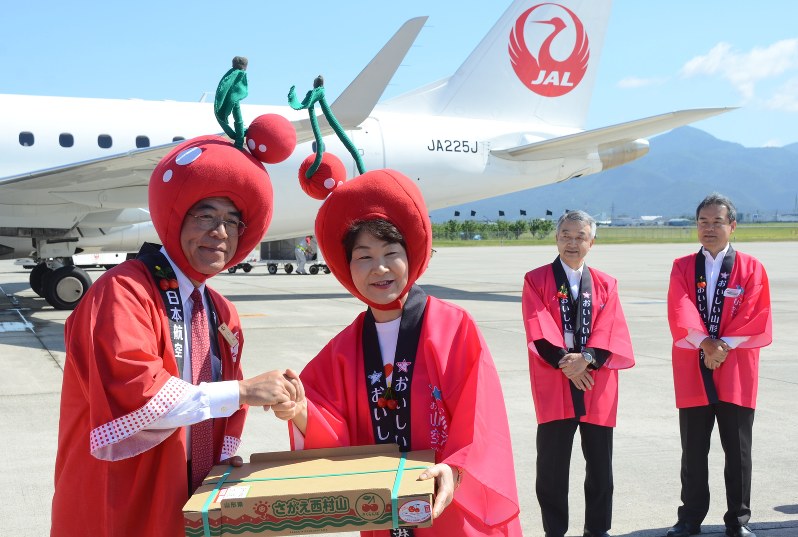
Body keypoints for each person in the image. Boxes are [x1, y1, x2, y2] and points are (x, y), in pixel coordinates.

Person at [51, 135, 301, 537]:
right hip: (123, 498)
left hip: (188, 499)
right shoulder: (123, 291)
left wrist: (218, 460)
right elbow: (138, 394)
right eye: (205, 216)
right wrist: (242, 391)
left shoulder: (222, 311)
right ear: (176, 218)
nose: (220, 232)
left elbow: (213, 406)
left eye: (231, 221)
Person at [273, 169, 522, 536]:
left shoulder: (452, 327)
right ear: (347, 266)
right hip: (381, 511)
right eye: (364, 256)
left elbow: (481, 421)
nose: (380, 268)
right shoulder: (344, 348)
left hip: (447, 505)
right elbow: (324, 418)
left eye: (391, 252)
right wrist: (297, 408)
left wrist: (452, 470)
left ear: (411, 255)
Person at [521, 210, 635, 537]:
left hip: (596, 384)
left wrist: (585, 359)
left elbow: (611, 331)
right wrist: (568, 365)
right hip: (554, 380)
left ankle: (597, 530)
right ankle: (555, 531)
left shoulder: (606, 284)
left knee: (600, 468)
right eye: (566, 235)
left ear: (592, 242)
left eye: (579, 237)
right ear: (556, 238)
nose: (572, 243)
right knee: (552, 470)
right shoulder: (536, 280)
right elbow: (538, 330)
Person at [665, 193, 772, 537]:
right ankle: (690, 518)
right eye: (703, 222)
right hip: (693, 365)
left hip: (736, 366)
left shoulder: (751, 267)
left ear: (732, 226)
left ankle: (738, 520)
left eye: (717, 222)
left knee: (737, 450)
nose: (709, 228)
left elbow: (754, 313)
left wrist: (722, 346)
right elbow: (680, 307)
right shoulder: (683, 266)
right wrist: (705, 343)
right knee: (693, 450)